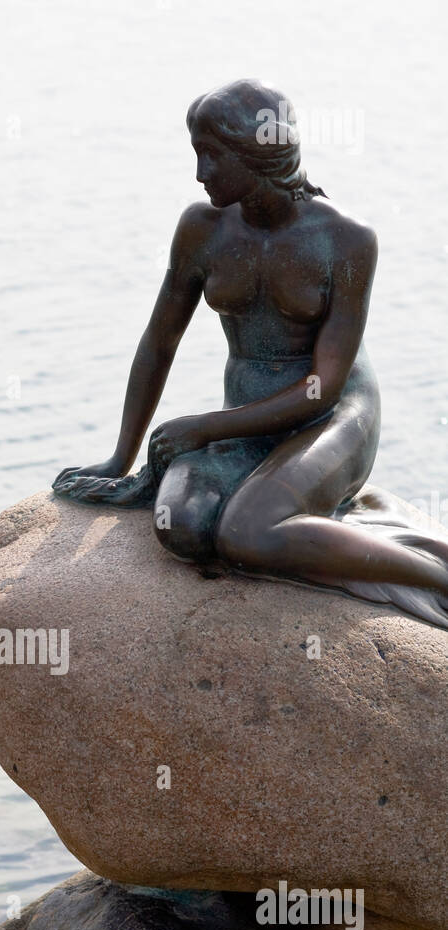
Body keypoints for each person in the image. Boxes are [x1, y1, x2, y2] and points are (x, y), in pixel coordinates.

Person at [53, 78, 448, 630]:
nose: (199, 173)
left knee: (246, 534)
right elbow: (159, 342)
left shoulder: (347, 241)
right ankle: (301, 518)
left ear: (255, 154)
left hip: (332, 419)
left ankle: (437, 575)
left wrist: (207, 427)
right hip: (246, 418)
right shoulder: (202, 228)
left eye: (211, 156)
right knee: (183, 530)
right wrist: (122, 459)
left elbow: (324, 389)